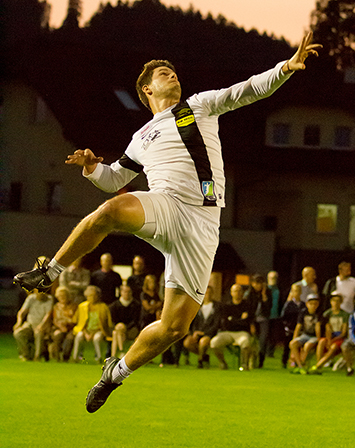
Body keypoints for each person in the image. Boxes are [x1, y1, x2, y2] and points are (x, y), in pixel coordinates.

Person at [13, 33, 321, 412]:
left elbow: (247, 90)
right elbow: (114, 179)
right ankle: (51, 271)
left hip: (204, 222)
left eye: (174, 72)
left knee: (175, 328)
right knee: (110, 210)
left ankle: (115, 373)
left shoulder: (199, 106)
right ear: (147, 89)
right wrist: (93, 167)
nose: (172, 75)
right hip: (167, 206)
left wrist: (285, 68)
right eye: (163, 72)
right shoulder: (140, 137)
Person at [210, 283, 254, 371]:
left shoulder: (247, 305)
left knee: (246, 343)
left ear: (242, 293)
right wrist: (240, 320)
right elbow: (225, 323)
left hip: (242, 332)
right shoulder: (226, 306)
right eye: (235, 291)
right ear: (231, 293)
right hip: (227, 332)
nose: (237, 293)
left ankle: (244, 364)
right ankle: (222, 362)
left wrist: (233, 320)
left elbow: (247, 322)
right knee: (214, 343)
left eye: (239, 291)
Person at [309, 292, 349, 374]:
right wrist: (329, 339)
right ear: (331, 302)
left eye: (338, 301)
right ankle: (319, 364)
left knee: (333, 347)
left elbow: (344, 332)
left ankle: (318, 366)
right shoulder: (328, 314)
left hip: (339, 338)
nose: (335, 303)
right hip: (330, 336)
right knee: (321, 342)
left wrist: (334, 339)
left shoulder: (344, 315)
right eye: (334, 301)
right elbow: (328, 329)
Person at [72, 285, 113, 363]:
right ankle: (75, 357)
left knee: (97, 338)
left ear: (98, 296)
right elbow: (78, 322)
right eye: (90, 296)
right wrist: (86, 332)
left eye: (94, 296)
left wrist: (93, 333)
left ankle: (99, 358)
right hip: (85, 330)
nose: (92, 298)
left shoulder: (103, 307)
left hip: (99, 330)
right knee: (79, 336)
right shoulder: (82, 306)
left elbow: (108, 323)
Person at [184, 285, 221, 368]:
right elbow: (194, 322)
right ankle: (205, 356)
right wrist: (194, 332)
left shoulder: (217, 307)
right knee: (187, 343)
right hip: (197, 332)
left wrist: (205, 333)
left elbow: (217, 324)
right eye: (206, 293)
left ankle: (200, 361)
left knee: (203, 342)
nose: (207, 295)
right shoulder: (198, 306)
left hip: (209, 333)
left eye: (209, 293)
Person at [13, 289, 53, 361]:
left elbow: (48, 314)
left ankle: (37, 356)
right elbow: (22, 312)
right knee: (18, 333)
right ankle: (26, 354)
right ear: (35, 292)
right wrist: (19, 322)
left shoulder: (49, 299)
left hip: (42, 324)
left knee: (39, 333)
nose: (41, 294)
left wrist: (41, 325)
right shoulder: (31, 298)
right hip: (30, 323)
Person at [289, 293, 321, 374]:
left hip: (314, 336)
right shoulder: (303, 312)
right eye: (311, 303)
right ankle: (300, 366)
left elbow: (318, 327)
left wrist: (318, 339)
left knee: (307, 346)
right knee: (293, 344)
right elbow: (298, 326)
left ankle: (302, 365)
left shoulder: (319, 314)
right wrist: (294, 338)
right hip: (305, 335)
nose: (313, 306)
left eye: (315, 304)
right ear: (307, 304)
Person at [109, 285, 141, 358]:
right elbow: (113, 320)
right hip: (118, 329)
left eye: (129, 292)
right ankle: (121, 351)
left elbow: (136, 320)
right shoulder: (114, 305)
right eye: (125, 292)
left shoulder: (136, 305)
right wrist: (121, 328)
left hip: (132, 329)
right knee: (116, 332)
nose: (127, 294)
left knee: (116, 333)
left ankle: (114, 355)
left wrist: (125, 328)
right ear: (121, 292)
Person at [47, 286, 77, 361]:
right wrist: (60, 327)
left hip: (71, 328)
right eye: (60, 296)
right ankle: (56, 357)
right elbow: (54, 320)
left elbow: (75, 319)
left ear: (68, 296)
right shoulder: (56, 307)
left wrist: (66, 326)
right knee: (57, 335)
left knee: (70, 338)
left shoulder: (74, 306)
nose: (62, 297)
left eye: (64, 295)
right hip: (58, 328)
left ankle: (65, 357)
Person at [280, 283, 305, 368]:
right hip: (290, 328)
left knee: (298, 346)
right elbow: (283, 316)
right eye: (295, 291)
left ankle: (296, 362)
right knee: (287, 346)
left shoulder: (303, 305)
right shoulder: (289, 304)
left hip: (299, 329)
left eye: (298, 291)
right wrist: (286, 325)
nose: (297, 293)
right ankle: (284, 361)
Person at [266, 270, 282, 358]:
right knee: (265, 335)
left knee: (273, 336)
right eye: (271, 278)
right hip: (266, 316)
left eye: (275, 278)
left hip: (276, 316)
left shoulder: (279, 290)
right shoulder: (265, 289)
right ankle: (263, 352)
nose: (273, 279)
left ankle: (270, 352)